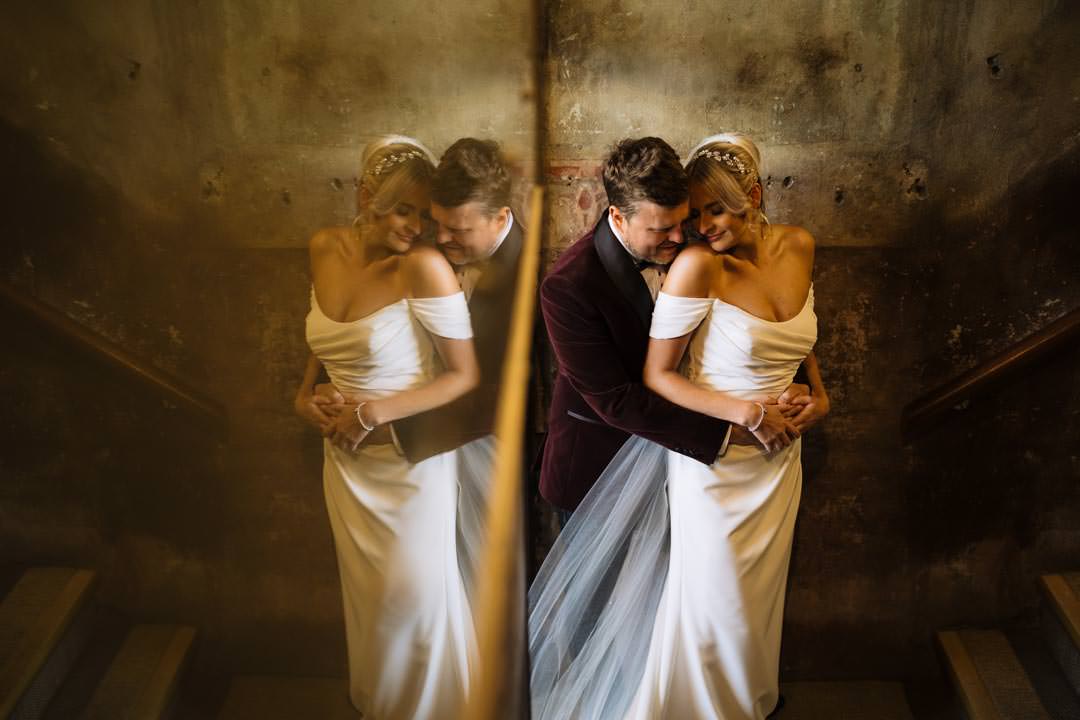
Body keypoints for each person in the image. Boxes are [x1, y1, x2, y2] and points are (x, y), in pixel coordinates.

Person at [529, 134, 829, 719]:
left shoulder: (717, 249)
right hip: (601, 462)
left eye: (686, 220)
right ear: (617, 215)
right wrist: (736, 423)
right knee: (601, 622)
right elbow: (619, 398)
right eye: (662, 229)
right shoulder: (568, 285)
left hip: (734, 457)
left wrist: (811, 393)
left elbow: (777, 333)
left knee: (690, 609)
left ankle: (728, 696)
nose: (681, 237)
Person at [296, 135, 480, 720]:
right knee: (370, 602)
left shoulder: (422, 267)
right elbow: (321, 345)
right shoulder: (324, 247)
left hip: (407, 464)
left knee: (414, 602)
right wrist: (304, 399)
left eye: (425, 216)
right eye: (404, 210)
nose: (416, 227)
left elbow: (464, 376)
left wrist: (370, 414)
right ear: (367, 195)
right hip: (344, 466)